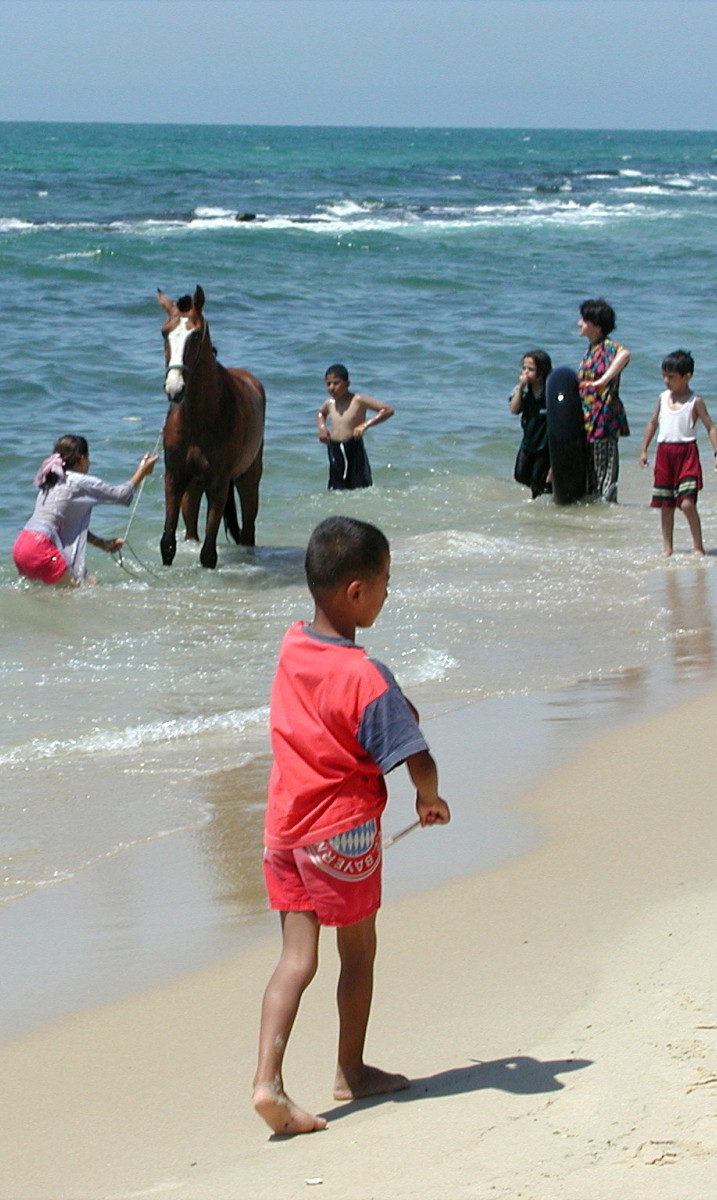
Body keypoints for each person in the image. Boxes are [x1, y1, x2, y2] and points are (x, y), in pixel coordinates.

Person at [253, 515, 450, 1135]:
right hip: (342, 832)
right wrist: (430, 798)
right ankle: (351, 1072)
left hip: (284, 830)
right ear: (356, 592)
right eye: (386, 582)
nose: (390, 593)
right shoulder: (366, 675)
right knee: (358, 950)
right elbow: (412, 749)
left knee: (295, 958)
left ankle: (267, 1082)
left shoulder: (292, 645)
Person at [12, 435, 157, 585]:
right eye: (88, 458)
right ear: (82, 459)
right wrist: (142, 471)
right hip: (41, 546)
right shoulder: (79, 481)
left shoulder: (51, 482)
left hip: (22, 546)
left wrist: (102, 544)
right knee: (76, 593)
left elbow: (65, 526)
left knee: (89, 583)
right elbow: (122, 495)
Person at [637, 350, 717, 557]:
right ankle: (668, 548)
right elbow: (653, 423)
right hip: (664, 454)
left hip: (687, 454)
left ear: (687, 377)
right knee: (666, 505)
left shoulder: (695, 401)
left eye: (671, 377)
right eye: (664, 375)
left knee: (686, 503)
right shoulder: (662, 398)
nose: (666, 381)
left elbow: (710, 427)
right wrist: (643, 450)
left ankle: (698, 546)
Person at [576, 299, 631, 502]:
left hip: (603, 415)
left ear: (597, 326)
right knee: (591, 470)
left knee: (604, 468)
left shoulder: (608, 347)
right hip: (588, 417)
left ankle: (607, 510)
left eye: (584, 320)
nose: (579, 323)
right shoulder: (591, 349)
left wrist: (602, 381)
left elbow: (625, 354)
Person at [316, 364, 393, 490]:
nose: (332, 388)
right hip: (334, 446)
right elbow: (321, 413)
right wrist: (322, 428)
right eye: (328, 384)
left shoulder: (358, 400)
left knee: (360, 485)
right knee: (336, 487)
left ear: (347, 384)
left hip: (353, 444)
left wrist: (365, 425)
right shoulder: (329, 403)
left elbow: (387, 410)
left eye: (336, 383)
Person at [509, 349, 553, 498]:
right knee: (520, 475)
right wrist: (521, 387)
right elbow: (514, 410)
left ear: (542, 371)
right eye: (524, 368)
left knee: (537, 481)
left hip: (545, 444)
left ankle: (540, 509)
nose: (526, 372)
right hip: (529, 442)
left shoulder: (551, 390)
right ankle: (543, 495)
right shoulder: (523, 391)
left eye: (531, 369)